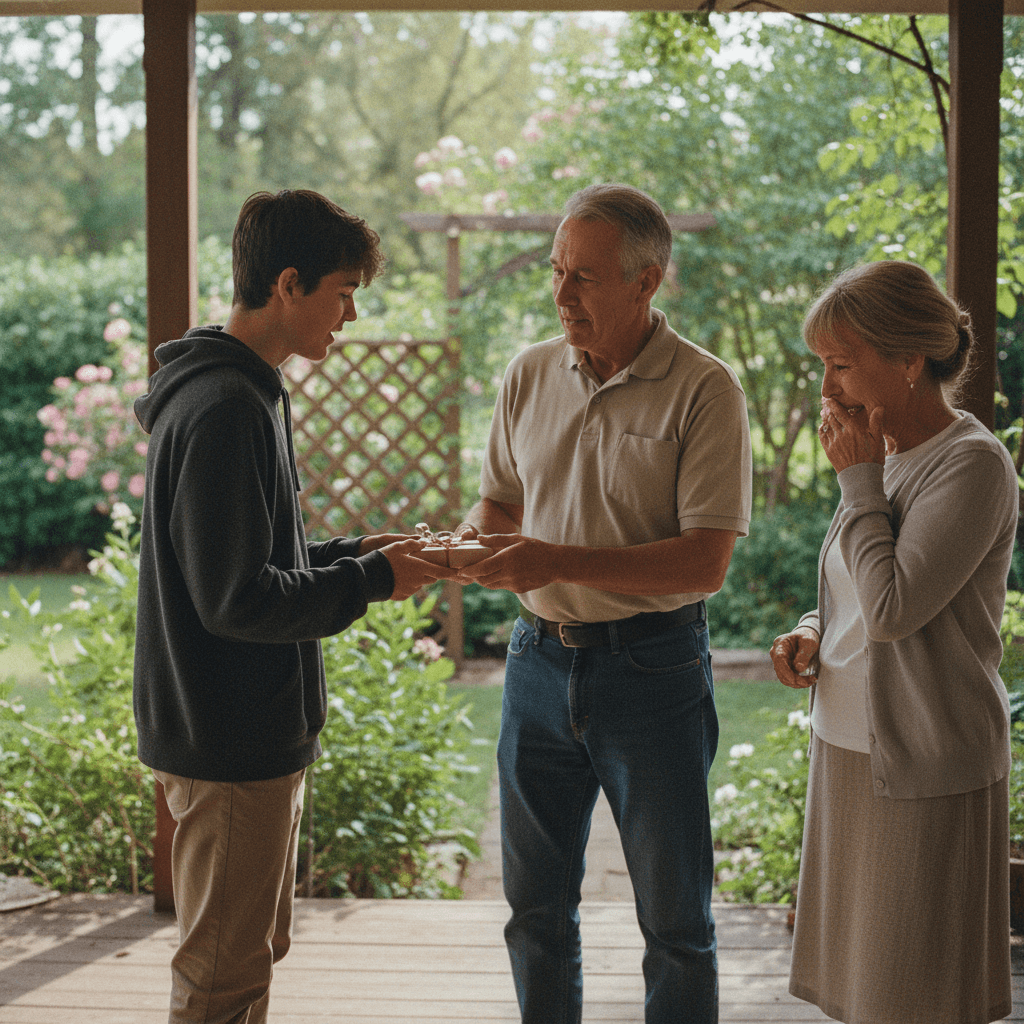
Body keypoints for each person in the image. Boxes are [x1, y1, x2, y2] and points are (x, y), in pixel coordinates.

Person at [132, 189, 455, 1024]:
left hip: (246, 739)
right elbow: (237, 600)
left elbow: (248, 561)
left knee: (245, 960)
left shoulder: (242, 392)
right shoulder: (224, 408)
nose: (349, 315)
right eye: (343, 292)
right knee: (221, 978)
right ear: (288, 284)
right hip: (228, 742)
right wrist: (375, 583)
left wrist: (363, 556)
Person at [458, 183, 753, 1024]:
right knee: (536, 916)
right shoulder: (526, 372)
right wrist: (477, 547)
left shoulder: (706, 388)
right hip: (535, 665)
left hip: (652, 668)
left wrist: (553, 556)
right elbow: (500, 504)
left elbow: (706, 561)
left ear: (646, 281)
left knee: (676, 923)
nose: (560, 294)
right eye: (556, 271)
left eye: (582, 277)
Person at [769, 260, 1017, 1024]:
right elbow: (858, 593)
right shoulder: (883, 458)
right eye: (822, 365)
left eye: (841, 365)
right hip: (848, 752)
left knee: (915, 997)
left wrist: (857, 483)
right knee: (863, 993)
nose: (825, 386)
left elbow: (895, 607)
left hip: (923, 763)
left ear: (909, 362)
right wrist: (813, 631)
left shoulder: (970, 465)